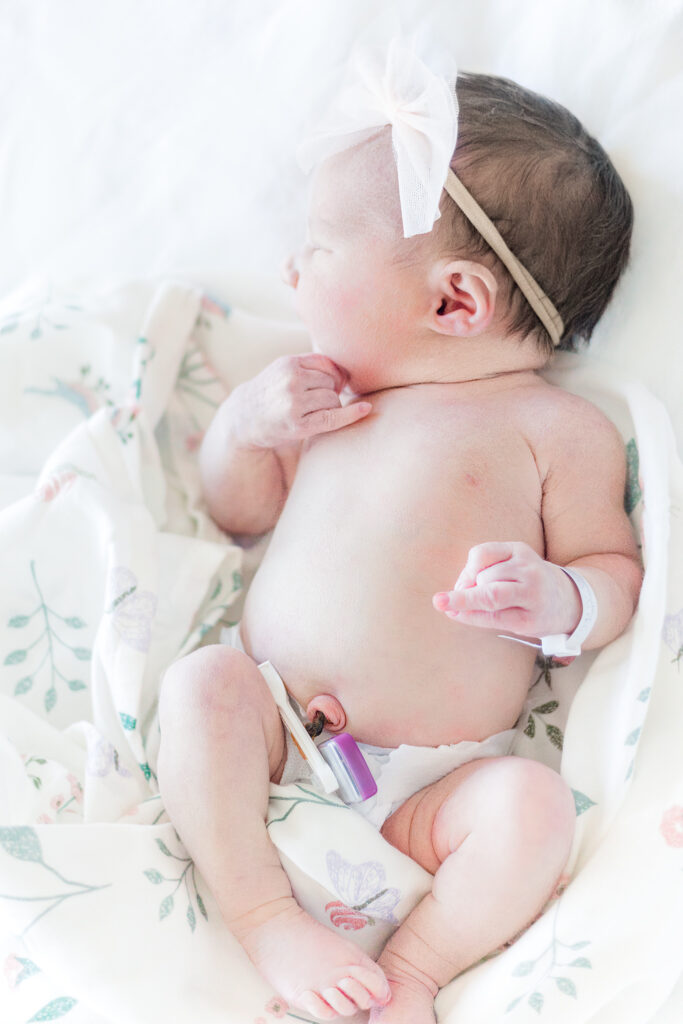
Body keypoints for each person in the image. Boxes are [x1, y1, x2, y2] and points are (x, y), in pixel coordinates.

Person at [156, 39, 642, 1024]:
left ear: (454, 300)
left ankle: (412, 972)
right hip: (275, 733)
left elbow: (614, 575)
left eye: (323, 249)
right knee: (199, 684)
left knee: (529, 810)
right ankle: (262, 914)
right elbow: (237, 512)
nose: (291, 268)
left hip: (437, 789)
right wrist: (248, 429)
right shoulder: (331, 399)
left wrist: (560, 599)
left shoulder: (557, 430)